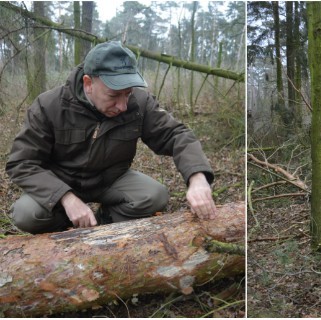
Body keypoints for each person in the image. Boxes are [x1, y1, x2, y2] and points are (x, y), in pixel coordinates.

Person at [5, 41, 217, 234]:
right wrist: (67, 198)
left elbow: (176, 134)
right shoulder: (49, 105)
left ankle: (102, 222)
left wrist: (197, 177)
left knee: (155, 196)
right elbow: (22, 162)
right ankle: (66, 226)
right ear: (88, 83)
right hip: (60, 181)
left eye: (128, 93)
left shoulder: (139, 103)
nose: (123, 105)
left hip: (110, 180)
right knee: (27, 214)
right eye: (114, 95)